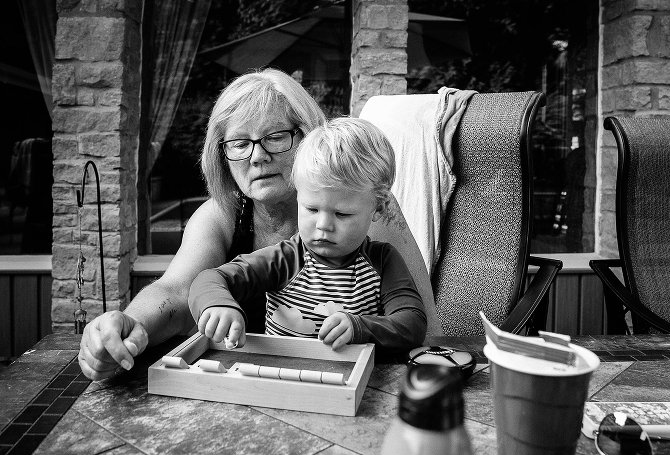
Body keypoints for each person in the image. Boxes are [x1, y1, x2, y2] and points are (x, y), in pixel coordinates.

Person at [78, 68, 438, 381]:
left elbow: (426, 328)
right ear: (222, 153)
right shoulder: (221, 215)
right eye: (239, 142)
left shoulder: (373, 209)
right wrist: (129, 324)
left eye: (276, 136)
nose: (257, 155)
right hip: (262, 383)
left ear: (309, 136)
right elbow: (176, 292)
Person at [189, 117, 427, 352]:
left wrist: (361, 327)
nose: (323, 225)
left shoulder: (383, 262)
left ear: (378, 208)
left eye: (342, 214)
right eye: (312, 209)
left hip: (354, 383)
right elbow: (209, 279)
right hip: (281, 378)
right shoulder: (285, 259)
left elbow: (412, 324)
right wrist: (218, 305)